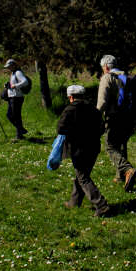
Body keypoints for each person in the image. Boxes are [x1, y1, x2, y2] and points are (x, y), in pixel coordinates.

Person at [49, 85, 112, 217]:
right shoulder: (94, 110)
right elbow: (102, 128)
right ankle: (74, 202)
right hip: (93, 148)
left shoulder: (69, 110)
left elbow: (61, 129)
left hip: (78, 150)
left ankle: (101, 205)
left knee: (83, 178)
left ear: (71, 97)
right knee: (82, 175)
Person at [96, 55, 136, 189]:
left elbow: (102, 102)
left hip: (114, 118)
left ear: (106, 67)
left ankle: (127, 170)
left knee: (110, 146)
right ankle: (121, 176)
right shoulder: (127, 77)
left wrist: (96, 115)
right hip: (129, 117)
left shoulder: (107, 77)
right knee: (121, 145)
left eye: (103, 68)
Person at [5, 60, 32, 140]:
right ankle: (20, 132)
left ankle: (20, 133)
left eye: (9, 66)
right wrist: (8, 85)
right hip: (13, 97)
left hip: (17, 97)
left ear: (13, 65)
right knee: (12, 115)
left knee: (14, 116)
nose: (8, 68)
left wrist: (16, 86)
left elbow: (25, 82)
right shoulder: (13, 73)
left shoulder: (18, 73)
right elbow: (13, 84)